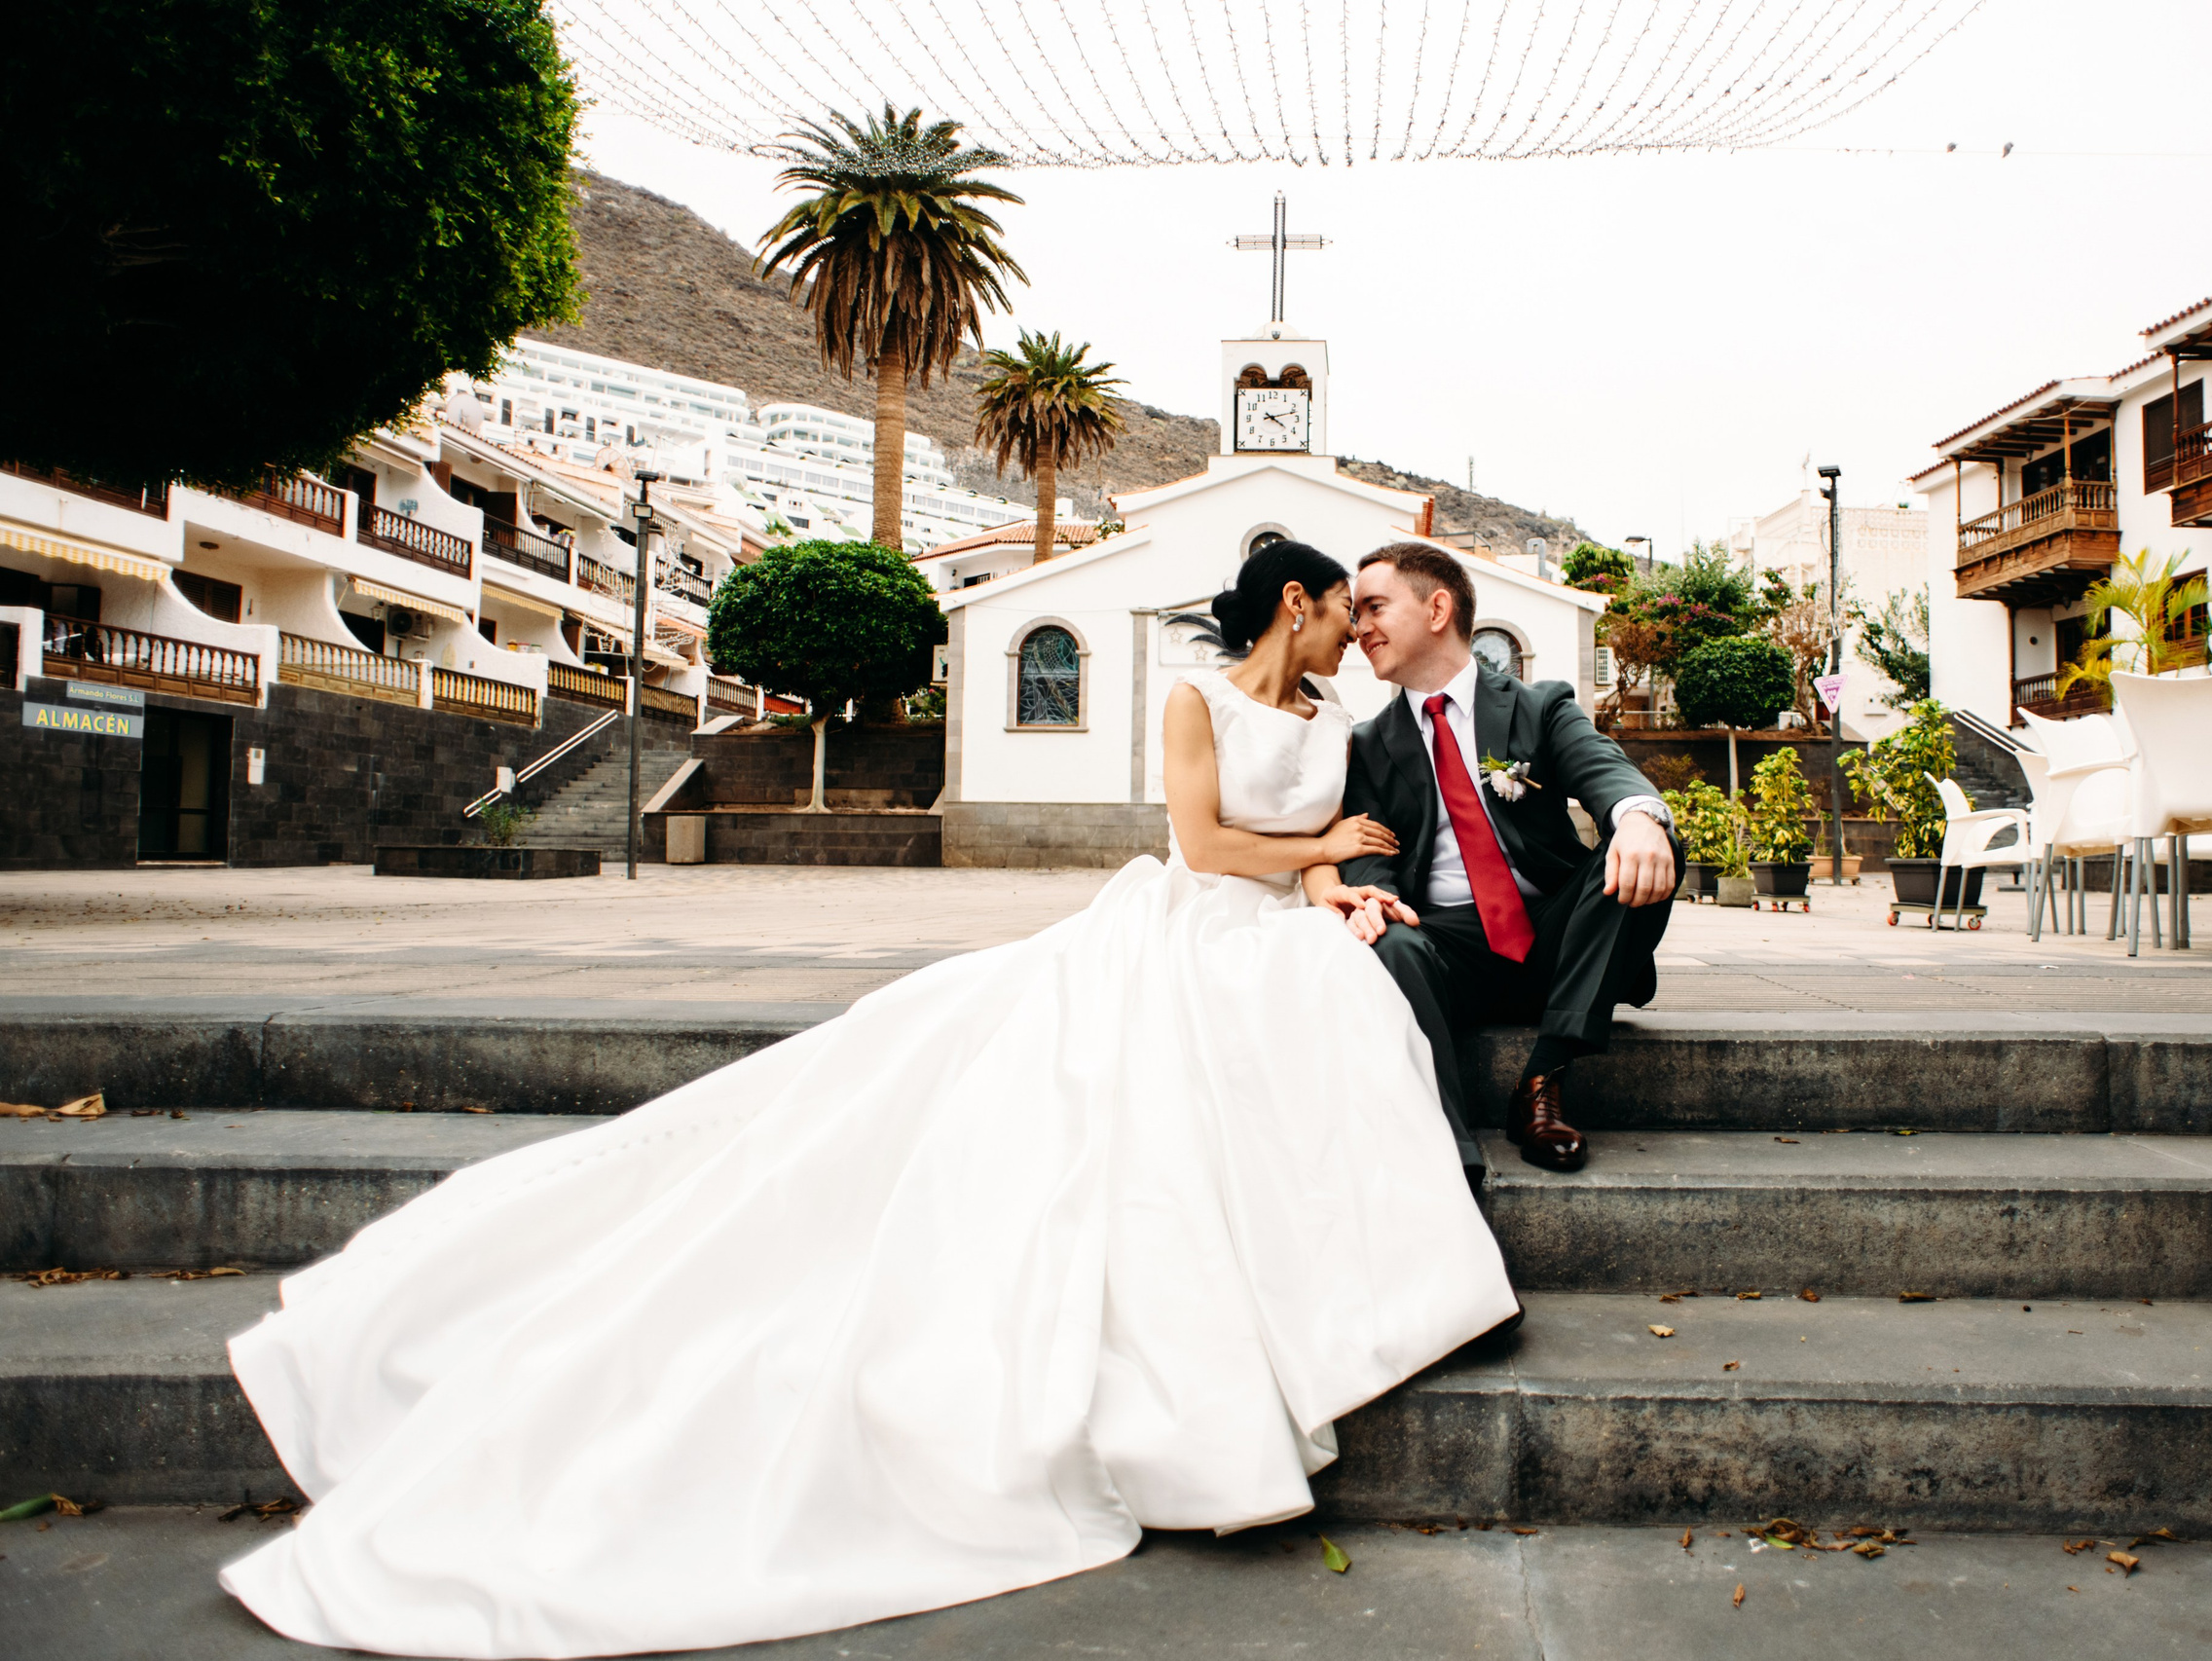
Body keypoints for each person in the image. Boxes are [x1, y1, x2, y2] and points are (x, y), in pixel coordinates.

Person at [217, 540, 1515, 1660]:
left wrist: (1337, 887)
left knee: (1337, 998)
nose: (1361, 628)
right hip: (1181, 919)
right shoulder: (1193, 701)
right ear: (1296, 604)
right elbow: (1206, 845)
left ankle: (1383, 1273)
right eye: (1348, 608)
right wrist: (1320, 853)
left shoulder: (1336, 724)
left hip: (1273, 925)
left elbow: (1303, 864)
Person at [1315, 543, 1682, 1181]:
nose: (1358, 626)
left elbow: (1603, 770)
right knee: (1392, 941)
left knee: (1650, 831)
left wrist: (1639, 816)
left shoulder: (1539, 708)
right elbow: (1366, 856)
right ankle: (1445, 1143)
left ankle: (1542, 1080)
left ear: (1437, 608)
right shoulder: (1369, 746)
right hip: (1445, 949)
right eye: (1355, 613)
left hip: (1556, 935)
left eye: (1374, 606)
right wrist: (1374, 899)